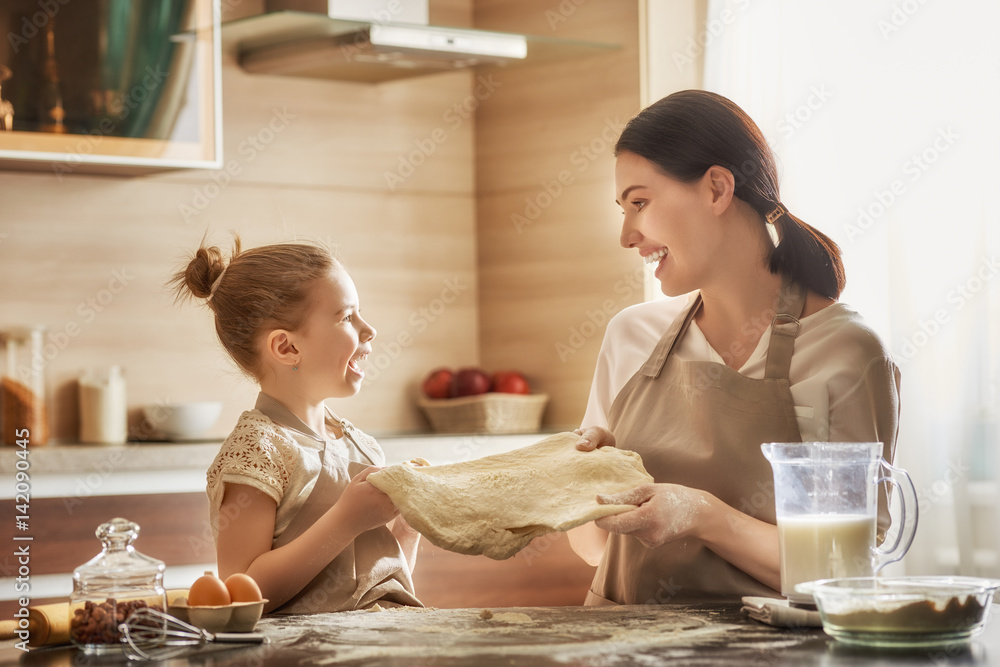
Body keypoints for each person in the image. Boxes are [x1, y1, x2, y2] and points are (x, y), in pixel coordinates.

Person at [568, 90, 901, 605]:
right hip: (617, 651)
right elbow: (592, 548)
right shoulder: (630, 336)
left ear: (717, 188)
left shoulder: (846, 352)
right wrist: (589, 478)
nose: (626, 235)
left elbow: (847, 573)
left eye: (640, 203)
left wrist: (702, 516)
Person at [171, 237, 422, 613]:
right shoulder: (258, 450)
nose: (369, 330)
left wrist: (409, 527)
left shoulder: (362, 446)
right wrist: (345, 521)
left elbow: (375, 581)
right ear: (287, 348)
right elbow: (241, 592)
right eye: (347, 317)